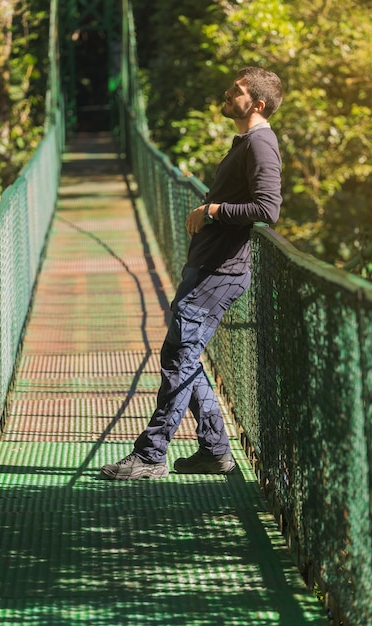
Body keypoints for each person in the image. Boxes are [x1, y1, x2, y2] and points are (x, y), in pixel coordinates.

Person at [101, 66, 283, 480]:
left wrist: (214, 210)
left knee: (178, 359)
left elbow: (268, 210)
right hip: (208, 268)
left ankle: (150, 456)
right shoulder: (246, 142)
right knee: (181, 357)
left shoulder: (260, 144)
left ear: (256, 103)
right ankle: (214, 450)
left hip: (219, 272)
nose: (226, 92)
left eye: (236, 90)